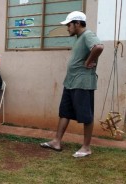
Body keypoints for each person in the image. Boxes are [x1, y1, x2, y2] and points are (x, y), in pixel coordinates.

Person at [40, 11, 104, 158]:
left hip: (82, 83)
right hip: (71, 82)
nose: (67, 28)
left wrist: (88, 62)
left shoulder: (88, 35)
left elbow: (99, 47)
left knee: (86, 115)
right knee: (65, 112)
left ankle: (86, 147)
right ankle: (56, 141)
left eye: (69, 24)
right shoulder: (79, 38)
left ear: (77, 23)